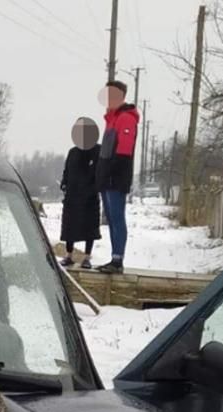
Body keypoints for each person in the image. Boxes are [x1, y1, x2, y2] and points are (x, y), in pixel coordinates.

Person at [95, 80, 140, 274]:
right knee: (111, 219)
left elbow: (124, 151)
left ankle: (118, 259)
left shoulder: (126, 118)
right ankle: (114, 258)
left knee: (117, 217)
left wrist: (112, 174)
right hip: (106, 178)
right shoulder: (111, 119)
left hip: (116, 177)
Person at [59, 117, 101, 269]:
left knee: (89, 228)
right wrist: (64, 183)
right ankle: (68, 255)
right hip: (72, 195)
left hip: (89, 197)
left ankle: (87, 257)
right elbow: (67, 170)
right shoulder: (73, 152)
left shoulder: (97, 151)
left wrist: (94, 189)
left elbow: (99, 173)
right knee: (70, 227)